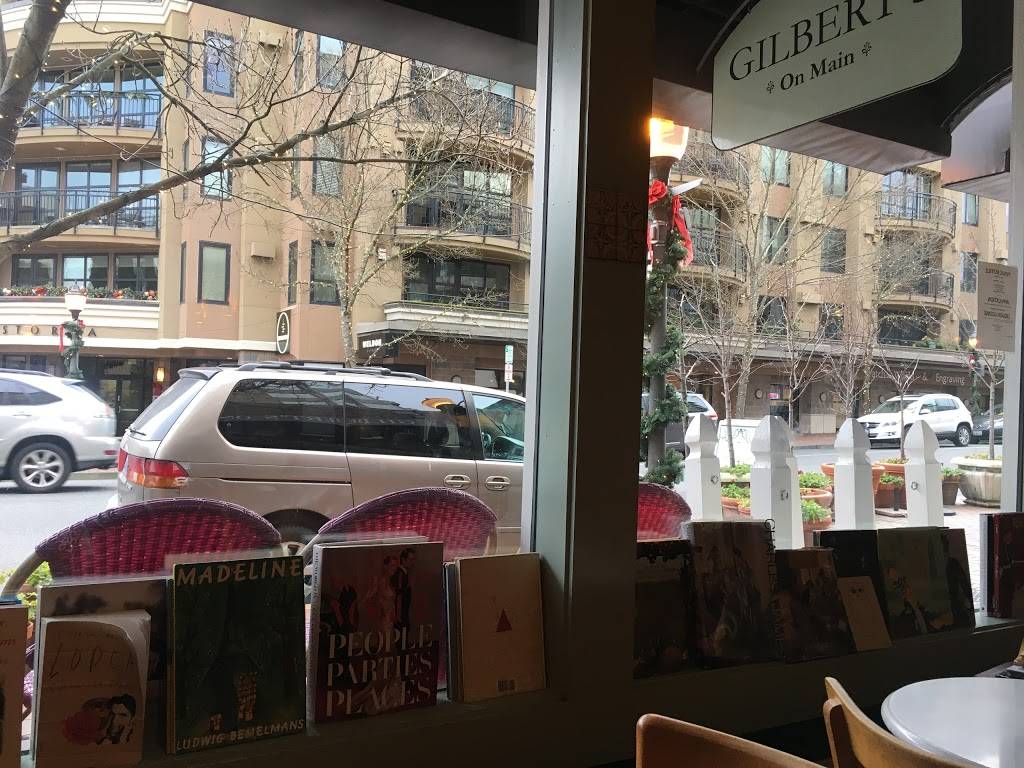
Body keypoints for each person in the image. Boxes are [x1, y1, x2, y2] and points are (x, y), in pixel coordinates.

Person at [391, 548, 416, 631]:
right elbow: (398, 596)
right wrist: (398, 617)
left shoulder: (404, 574)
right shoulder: (400, 575)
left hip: (404, 615)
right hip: (401, 617)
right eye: (410, 559)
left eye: (413, 560)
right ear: (403, 559)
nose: (412, 562)